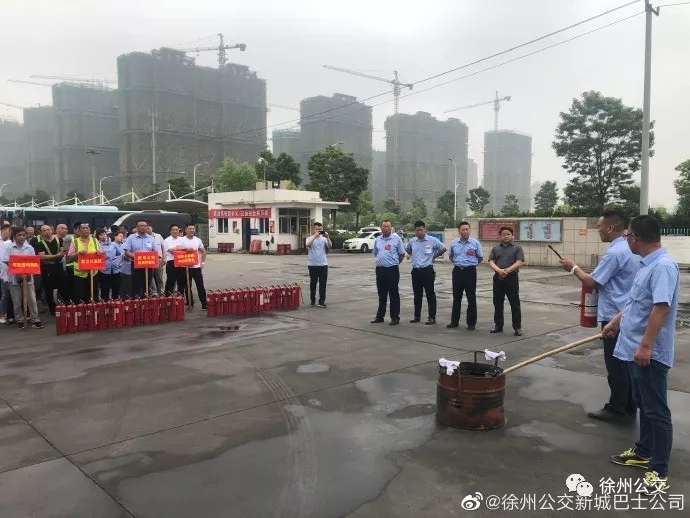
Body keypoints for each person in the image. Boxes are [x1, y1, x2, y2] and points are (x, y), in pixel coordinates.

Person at [605, 215, 679, 494]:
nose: (627, 241)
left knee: (656, 410)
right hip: (634, 348)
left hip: (648, 353)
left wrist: (646, 345)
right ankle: (644, 451)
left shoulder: (663, 266)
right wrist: (615, 321)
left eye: (627, 237)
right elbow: (637, 302)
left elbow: (661, 308)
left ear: (635, 238)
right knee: (644, 404)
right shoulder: (647, 264)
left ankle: (659, 470)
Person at [559, 210, 639, 422]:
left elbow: (593, 282)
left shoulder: (615, 252)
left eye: (600, 226)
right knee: (626, 363)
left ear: (611, 228)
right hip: (629, 313)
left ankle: (617, 408)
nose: (598, 230)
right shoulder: (633, 248)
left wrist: (573, 268)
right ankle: (629, 406)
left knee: (616, 365)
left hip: (614, 316)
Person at [1, 227, 43, 329]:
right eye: (19, 235)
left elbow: (33, 262)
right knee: (17, 301)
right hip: (13, 278)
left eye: (23, 235)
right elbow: (6, 260)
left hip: (28, 277)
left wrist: (27, 273)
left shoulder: (29, 248)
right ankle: (20, 320)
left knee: (32, 300)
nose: (22, 237)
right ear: (14, 236)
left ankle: (35, 319)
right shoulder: (9, 247)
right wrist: (18, 272)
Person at [405, 220, 446, 325]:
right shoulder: (413, 241)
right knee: (417, 295)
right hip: (416, 271)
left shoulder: (432, 240)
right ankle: (417, 316)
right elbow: (408, 249)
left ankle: (432, 317)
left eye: (421, 230)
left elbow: (443, 248)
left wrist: (434, 256)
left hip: (427, 270)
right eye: (417, 230)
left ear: (425, 230)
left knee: (430, 294)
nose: (419, 232)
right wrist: (414, 256)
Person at [488, 226, 524, 336]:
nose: (506, 236)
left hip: (512, 278)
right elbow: (491, 261)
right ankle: (498, 325)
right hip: (498, 278)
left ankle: (517, 327)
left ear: (512, 235)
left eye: (508, 234)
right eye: (503, 234)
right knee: (497, 302)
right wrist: (499, 271)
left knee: (514, 303)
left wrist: (507, 271)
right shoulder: (495, 248)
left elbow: (519, 262)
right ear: (500, 236)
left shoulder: (517, 248)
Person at [447, 221, 483, 330]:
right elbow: (451, 256)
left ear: (470, 230)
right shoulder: (454, 243)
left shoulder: (475, 243)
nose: (465, 231)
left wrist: (471, 265)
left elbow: (480, 257)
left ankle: (471, 323)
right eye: (463, 229)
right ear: (459, 231)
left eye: (467, 229)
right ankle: (454, 322)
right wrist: (459, 264)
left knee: (471, 297)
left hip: (470, 272)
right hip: (457, 272)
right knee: (456, 297)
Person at [371, 221, 406, 325]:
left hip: (392, 270)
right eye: (384, 226)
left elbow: (402, 254)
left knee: (393, 294)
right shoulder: (378, 239)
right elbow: (376, 253)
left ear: (391, 228)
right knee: (381, 294)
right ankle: (380, 316)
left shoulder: (396, 239)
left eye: (388, 226)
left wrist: (394, 263)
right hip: (380, 269)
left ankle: (395, 317)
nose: (386, 228)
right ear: (381, 228)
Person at [30, 224, 68, 315]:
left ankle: (68, 307)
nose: (47, 232)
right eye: (44, 231)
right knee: (48, 290)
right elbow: (42, 256)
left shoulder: (59, 240)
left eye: (48, 230)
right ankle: (52, 310)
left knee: (63, 288)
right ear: (40, 232)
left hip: (59, 267)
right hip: (47, 269)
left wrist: (52, 257)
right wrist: (57, 255)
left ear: (52, 230)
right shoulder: (39, 244)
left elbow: (62, 252)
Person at [66, 223, 103, 302]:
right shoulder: (75, 242)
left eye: (87, 228)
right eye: (84, 228)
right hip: (80, 274)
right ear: (79, 231)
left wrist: (99, 253)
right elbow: (70, 257)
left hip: (93, 273)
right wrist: (78, 253)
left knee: (94, 295)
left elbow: (101, 254)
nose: (86, 229)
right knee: (80, 296)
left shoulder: (95, 240)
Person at [123, 220, 158, 298]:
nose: (143, 227)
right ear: (137, 227)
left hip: (148, 265)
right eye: (141, 226)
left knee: (147, 284)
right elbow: (126, 251)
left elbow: (155, 251)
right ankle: (136, 301)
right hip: (136, 264)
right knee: (136, 284)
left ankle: (145, 300)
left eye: (145, 226)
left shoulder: (151, 238)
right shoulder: (131, 238)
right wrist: (136, 258)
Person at [181, 224, 207, 309]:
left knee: (200, 285)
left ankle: (204, 303)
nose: (192, 230)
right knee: (187, 286)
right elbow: (177, 249)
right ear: (186, 230)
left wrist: (202, 263)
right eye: (190, 229)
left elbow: (203, 251)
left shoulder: (197, 240)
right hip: (185, 267)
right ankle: (190, 303)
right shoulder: (181, 240)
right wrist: (185, 249)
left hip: (196, 267)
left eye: (193, 229)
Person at [306, 222, 331, 308]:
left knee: (323, 284)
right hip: (312, 264)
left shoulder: (324, 239)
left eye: (320, 229)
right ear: (313, 229)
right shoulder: (309, 238)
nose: (319, 231)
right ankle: (312, 300)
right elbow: (308, 244)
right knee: (313, 283)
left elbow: (329, 246)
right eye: (317, 229)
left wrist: (328, 237)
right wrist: (314, 236)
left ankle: (322, 301)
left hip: (323, 264)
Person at [97, 228, 122, 300]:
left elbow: (119, 253)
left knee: (116, 287)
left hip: (115, 269)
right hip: (104, 270)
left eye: (104, 234)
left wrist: (118, 262)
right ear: (98, 237)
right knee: (105, 289)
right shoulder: (98, 245)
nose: (103, 236)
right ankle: (105, 303)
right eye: (100, 235)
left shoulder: (113, 244)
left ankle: (115, 302)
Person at [163, 224, 187, 295]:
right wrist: (181, 248)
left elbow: (186, 249)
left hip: (181, 262)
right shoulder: (167, 240)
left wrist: (177, 248)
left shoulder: (182, 239)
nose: (175, 231)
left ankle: (180, 297)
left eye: (177, 230)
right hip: (171, 262)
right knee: (171, 281)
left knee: (181, 281)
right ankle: (168, 297)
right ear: (170, 231)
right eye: (173, 230)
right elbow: (173, 251)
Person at [0, 223, 15, 325]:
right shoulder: (4, 243)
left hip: (11, 272)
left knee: (10, 295)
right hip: (4, 272)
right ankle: (2, 315)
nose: (10, 233)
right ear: (3, 230)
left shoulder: (10, 242)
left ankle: (10, 315)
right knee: (4, 295)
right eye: (9, 231)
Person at [147, 225, 165, 296]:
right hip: (149, 260)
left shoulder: (158, 236)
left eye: (149, 228)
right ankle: (152, 293)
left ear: (152, 229)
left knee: (159, 277)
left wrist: (164, 257)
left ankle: (160, 292)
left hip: (158, 259)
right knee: (150, 277)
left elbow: (163, 247)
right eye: (146, 229)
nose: (147, 230)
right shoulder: (146, 238)